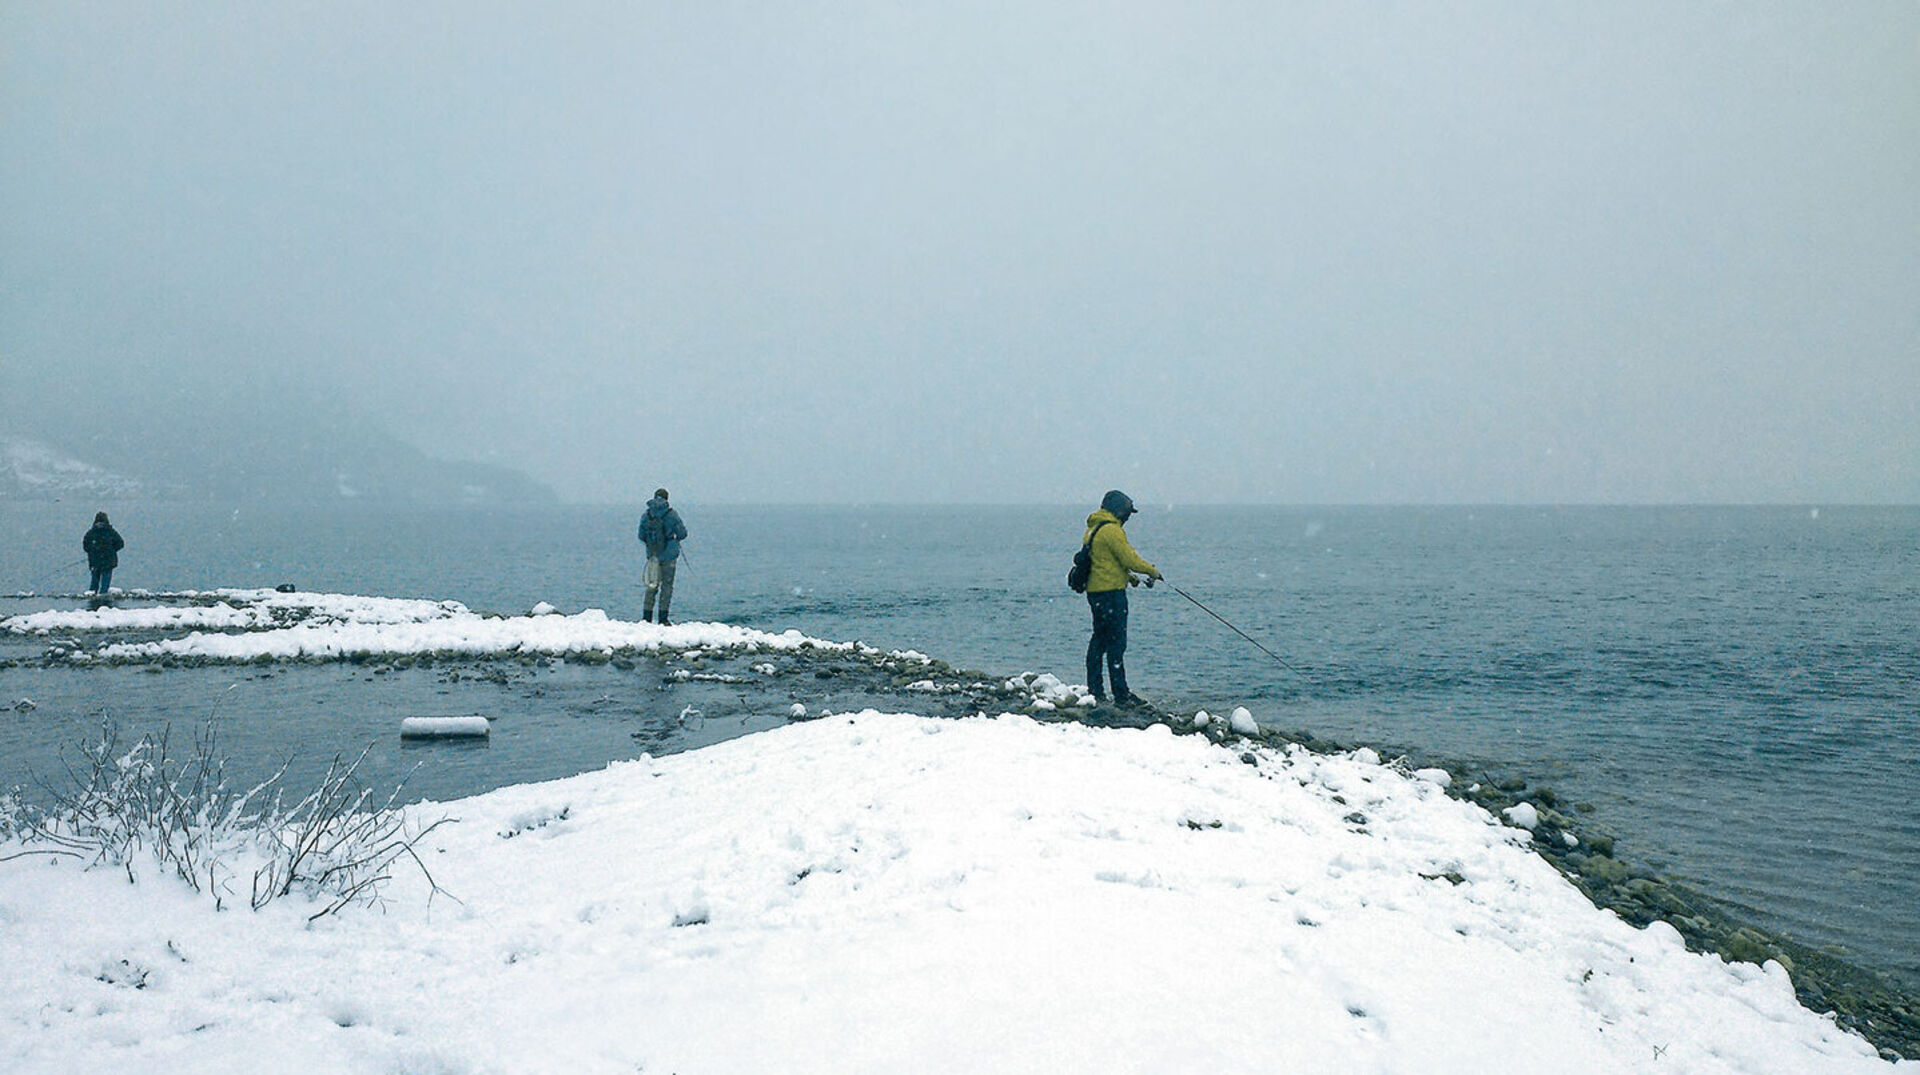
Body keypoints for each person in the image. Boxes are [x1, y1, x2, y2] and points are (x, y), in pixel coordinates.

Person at [1081, 489, 1162, 706]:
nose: (1128, 517)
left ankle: (1096, 691)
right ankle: (1121, 694)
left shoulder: (1094, 528)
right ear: (1118, 510)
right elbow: (1129, 558)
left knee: (1099, 640)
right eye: (1127, 512)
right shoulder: (1112, 531)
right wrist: (1151, 571)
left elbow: (1104, 561)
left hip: (1096, 591)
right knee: (1116, 644)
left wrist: (1128, 577)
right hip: (1111, 594)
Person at [637, 488, 689, 624]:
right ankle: (663, 618)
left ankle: (646, 618)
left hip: (653, 556)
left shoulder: (646, 514)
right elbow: (683, 533)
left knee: (652, 585)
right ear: (667, 498)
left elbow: (641, 536)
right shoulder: (671, 514)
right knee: (667, 587)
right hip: (669, 556)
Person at [82, 511, 125, 596]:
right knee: (105, 582)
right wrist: (112, 550)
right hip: (108, 561)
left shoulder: (91, 532)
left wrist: (92, 551)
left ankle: (92, 598)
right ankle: (103, 598)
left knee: (94, 582)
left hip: (95, 561)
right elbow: (120, 543)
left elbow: (85, 545)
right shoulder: (110, 531)